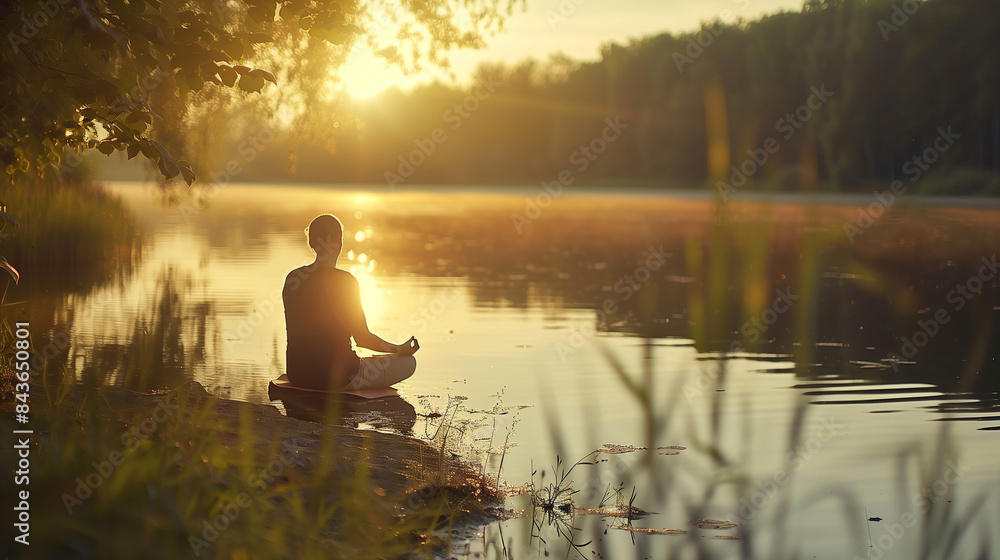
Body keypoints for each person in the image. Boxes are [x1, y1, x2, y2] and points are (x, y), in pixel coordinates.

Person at [282, 214, 418, 391]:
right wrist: (399, 350)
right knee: (409, 363)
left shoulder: (293, 278)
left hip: (298, 375)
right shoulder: (346, 282)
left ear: (312, 243)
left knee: (366, 360)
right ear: (339, 243)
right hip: (340, 377)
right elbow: (363, 339)